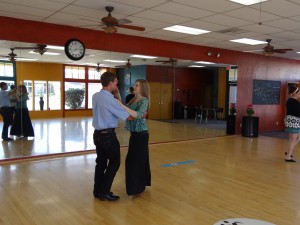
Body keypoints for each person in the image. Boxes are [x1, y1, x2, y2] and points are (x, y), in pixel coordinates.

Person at [92, 71, 130, 201]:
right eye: (115, 82)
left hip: (97, 135)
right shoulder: (110, 99)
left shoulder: (95, 96)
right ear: (110, 83)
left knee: (101, 163)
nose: (117, 85)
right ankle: (104, 191)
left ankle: (97, 191)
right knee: (114, 163)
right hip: (108, 136)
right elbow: (127, 116)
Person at [118, 79, 151, 196]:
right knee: (135, 161)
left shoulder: (144, 101)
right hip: (134, 134)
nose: (134, 87)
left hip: (141, 135)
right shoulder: (132, 99)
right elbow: (128, 114)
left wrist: (124, 108)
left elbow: (137, 114)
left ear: (142, 88)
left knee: (135, 161)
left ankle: (137, 187)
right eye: (135, 85)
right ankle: (137, 187)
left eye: (137, 85)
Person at [284, 85, 300, 162]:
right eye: (299, 92)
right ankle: (288, 157)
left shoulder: (289, 100)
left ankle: (288, 152)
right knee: (293, 139)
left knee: (296, 138)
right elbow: (298, 113)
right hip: (294, 122)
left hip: (291, 121)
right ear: (295, 93)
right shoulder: (295, 102)